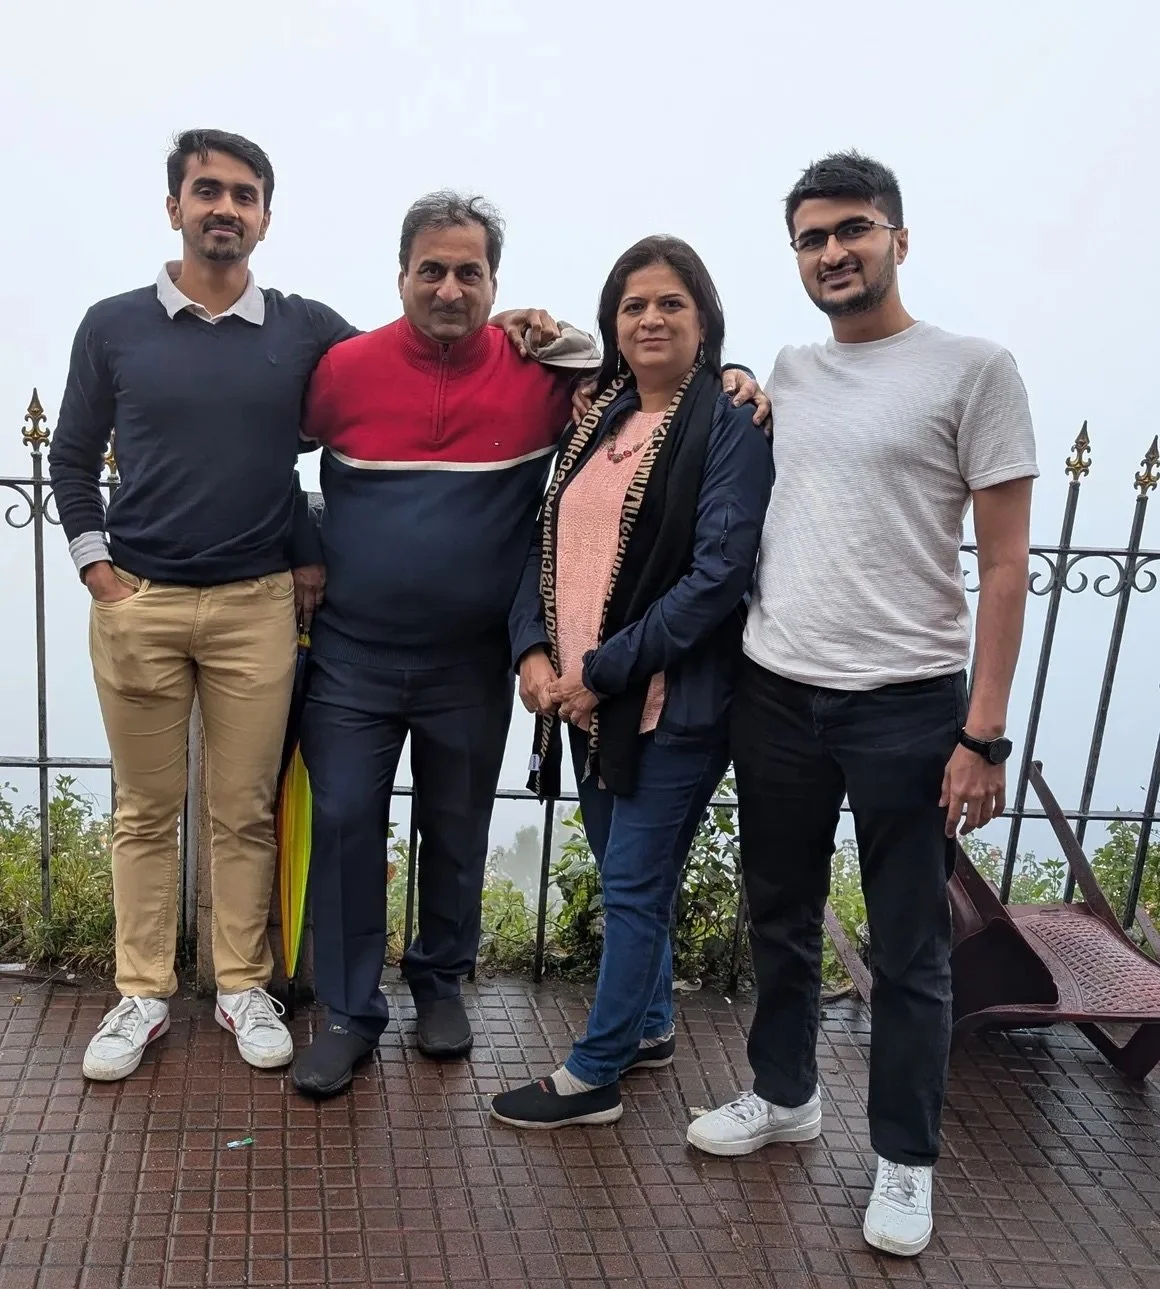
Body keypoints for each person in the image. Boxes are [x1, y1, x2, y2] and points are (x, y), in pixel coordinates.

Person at [289, 195, 770, 1098]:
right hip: (351, 654)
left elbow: (656, 387)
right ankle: (351, 1013)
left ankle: (440, 978)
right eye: (431, 268)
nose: (449, 286)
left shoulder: (539, 375)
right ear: (400, 274)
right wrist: (300, 548)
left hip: (469, 661)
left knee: (458, 823)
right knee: (347, 818)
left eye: (469, 271)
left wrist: (738, 372)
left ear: (495, 283)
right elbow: (265, 451)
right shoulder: (343, 370)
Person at [686, 153, 1038, 1259]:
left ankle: (903, 1156)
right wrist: (740, 377)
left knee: (908, 946)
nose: (832, 252)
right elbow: (702, 400)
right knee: (778, 915)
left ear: (896, 235)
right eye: (810, 238)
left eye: (852, 230)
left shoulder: (972, 369)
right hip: (777, 689)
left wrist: (980, 732)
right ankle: (783, 1093)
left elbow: (1005, 562)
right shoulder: (787, 369)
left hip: (906, 705)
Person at [47, 128, 357, 1081]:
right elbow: (70, 455)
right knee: (144, 808)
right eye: (207, 189)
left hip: (255, 605)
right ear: (174, 205)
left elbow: (403, 373)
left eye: (244, 193)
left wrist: (523, 337)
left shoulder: (304, 327)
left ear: (266, 214)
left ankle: (239, 987)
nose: (225, 207)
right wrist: (100, 573)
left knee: (240, 810)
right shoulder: (113, 324)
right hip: (140, 597)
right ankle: (140, 993)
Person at [488, 236, 774, 1129]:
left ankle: (596, 1072)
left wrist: (600, 671)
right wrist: (535, 654)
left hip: (668, 704)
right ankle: (649, 1025)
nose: (650, 319)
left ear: (705, 321)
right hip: (583, 703)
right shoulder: (598, 416)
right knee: (624, 873)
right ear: (614, 324)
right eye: (633, 305)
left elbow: (718, 576)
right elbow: (545, 550)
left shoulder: (731, 427)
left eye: (671, 304)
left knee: (636, 883)